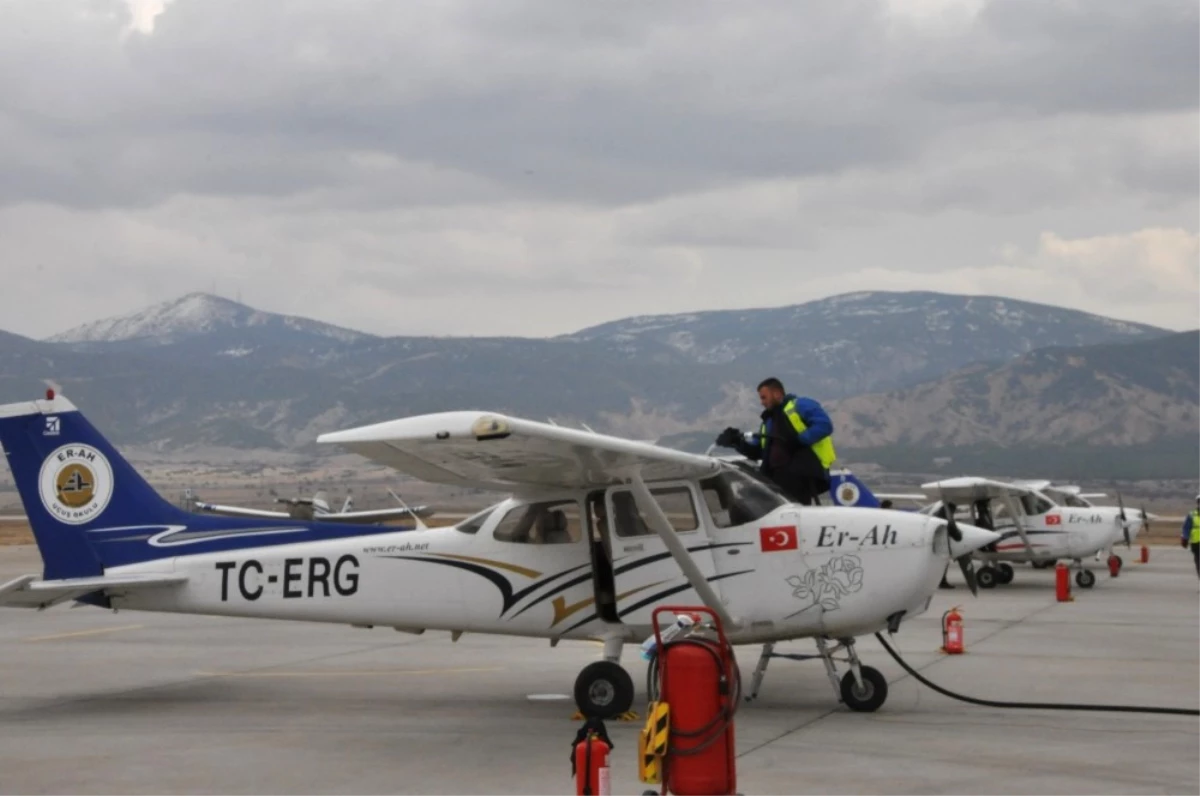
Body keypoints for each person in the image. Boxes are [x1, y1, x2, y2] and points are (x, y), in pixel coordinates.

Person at [715, 377, 836, 506]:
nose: (762, 402)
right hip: (775, 478)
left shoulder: (799, 405)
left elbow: (824, 425)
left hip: (801, 474)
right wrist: (736, 442)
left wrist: (800, 440)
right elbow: (760, 451)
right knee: (744, 501)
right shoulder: (768, 422)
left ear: (777, 394)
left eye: (764, 397)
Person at [1182, 495, 1200, 585]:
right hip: (1196, 543)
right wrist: (1185, 538)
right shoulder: (1192, 515)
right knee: (1199, 564)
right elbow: (1186, 528)